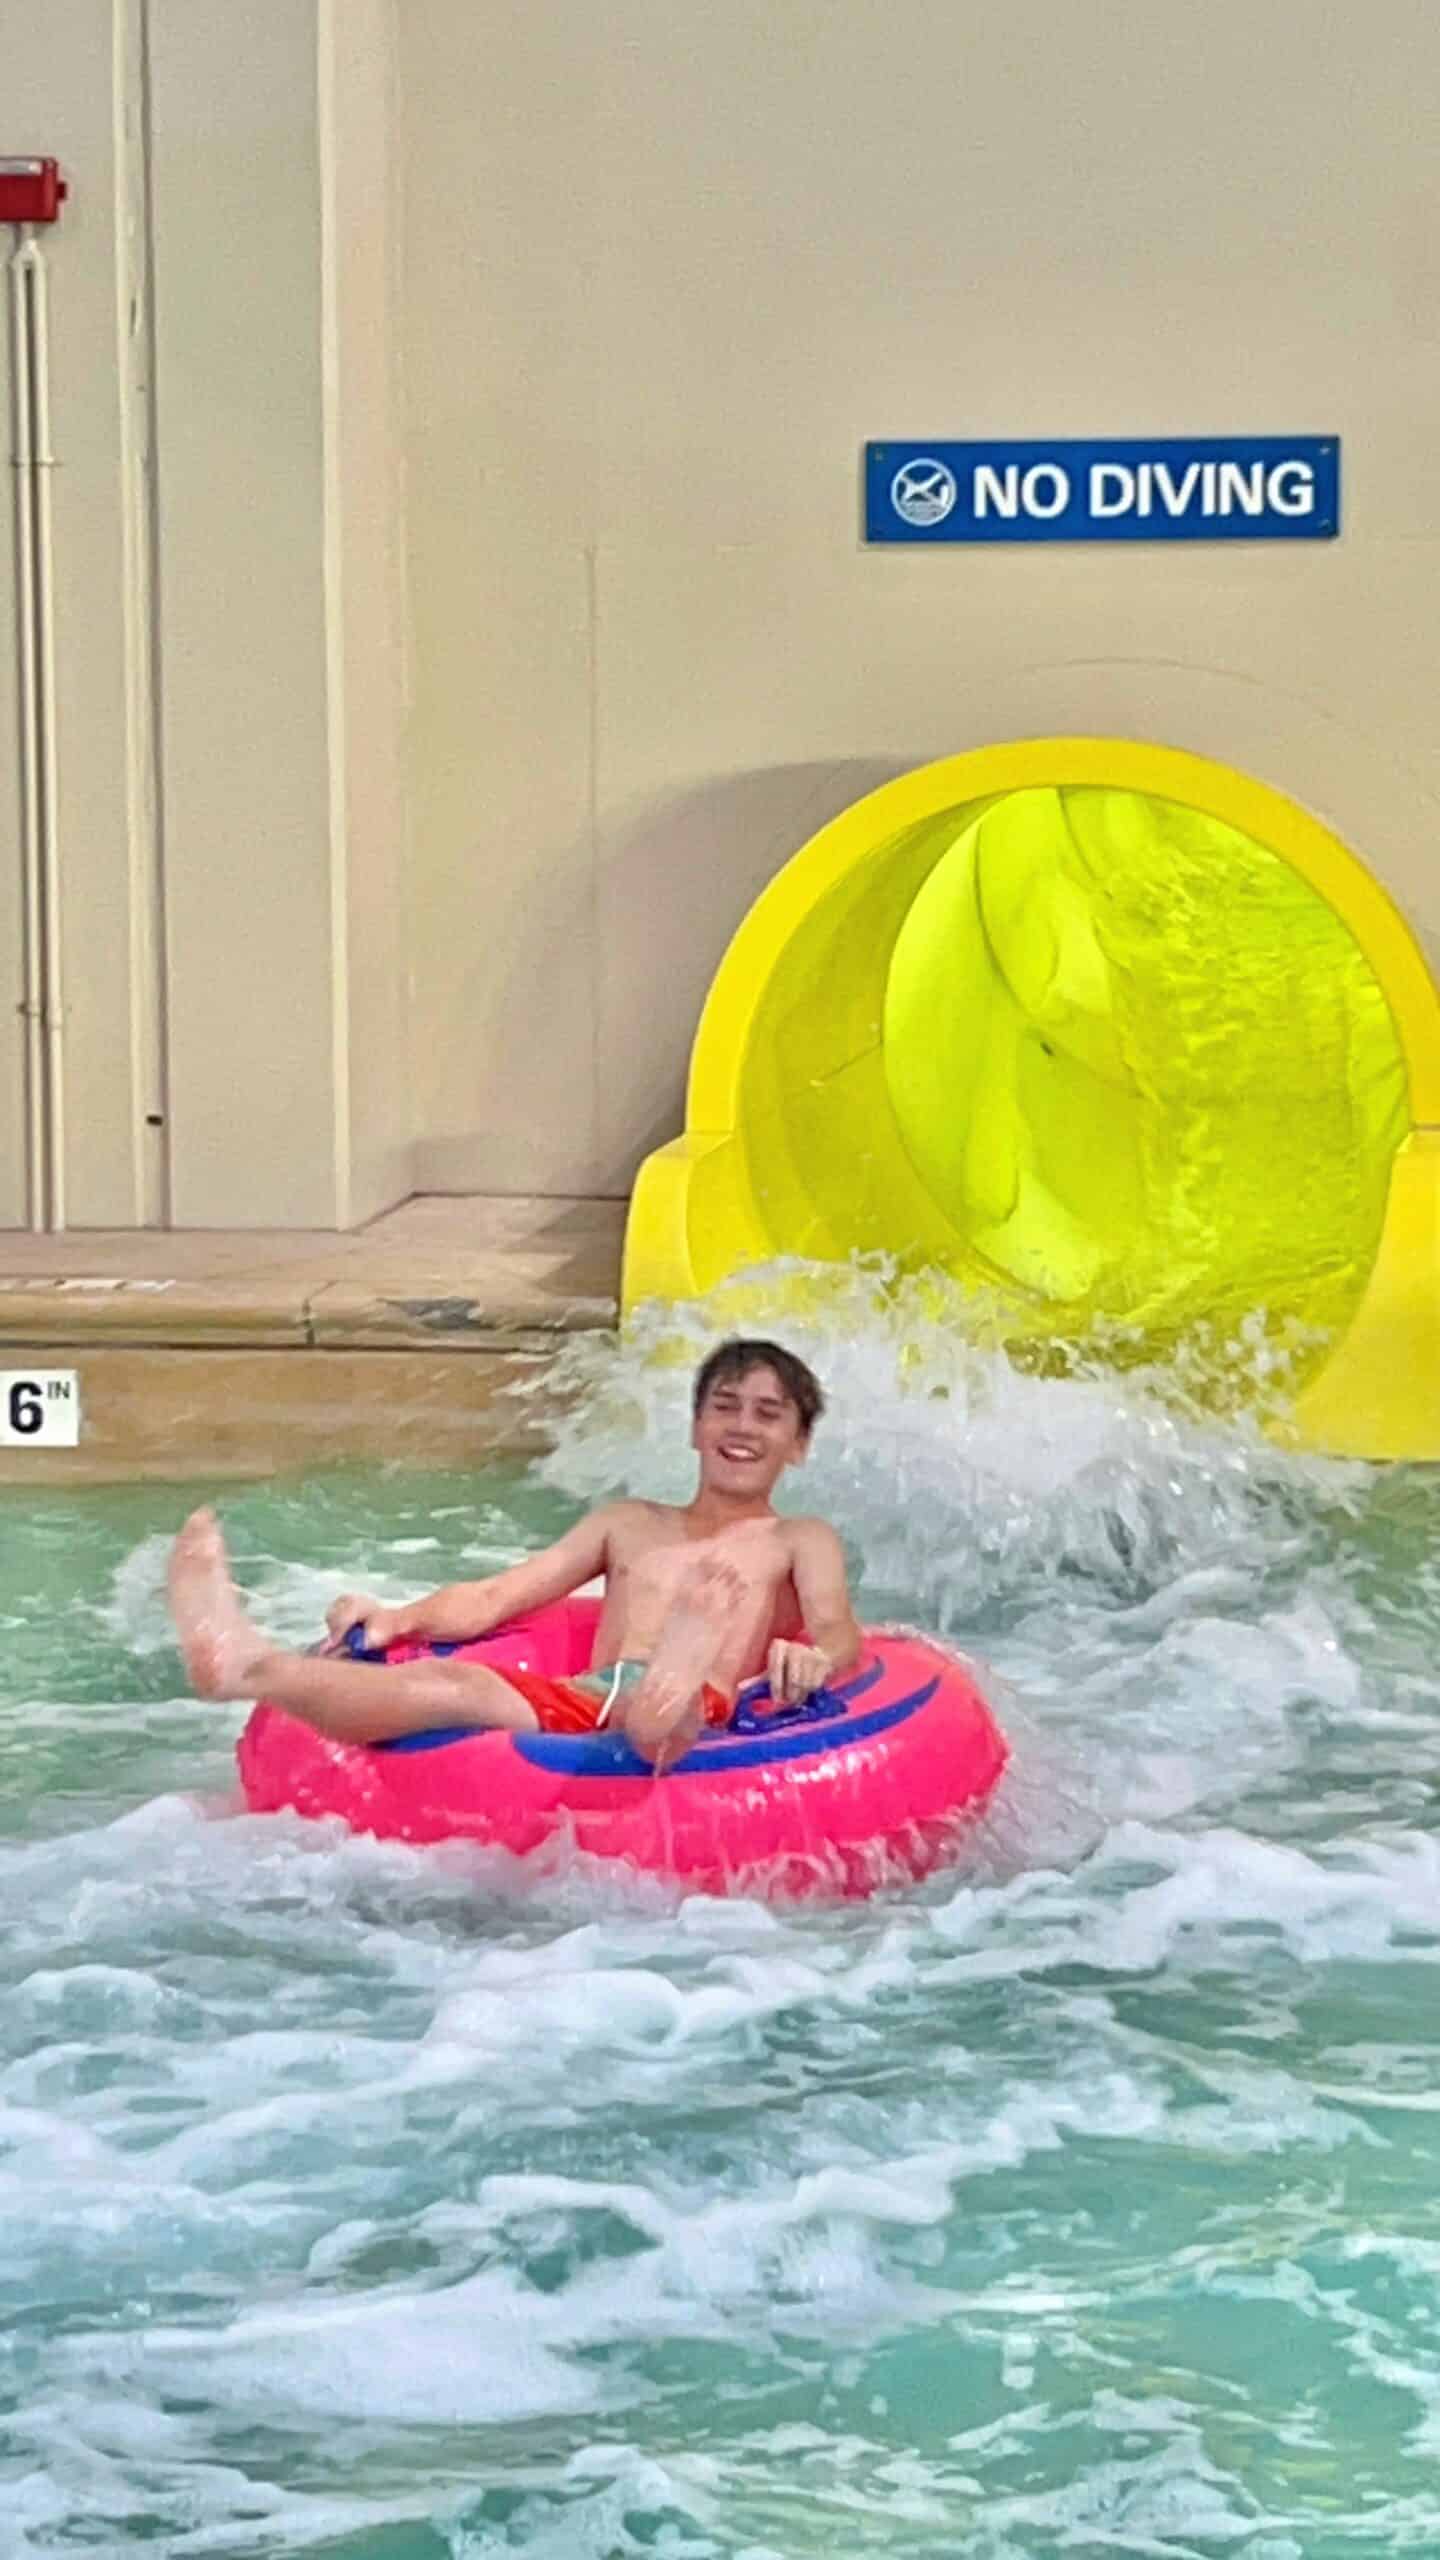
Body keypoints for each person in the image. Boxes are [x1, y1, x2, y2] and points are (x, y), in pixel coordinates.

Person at [167, 1338, 861, 1769]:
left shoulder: (795, 1539)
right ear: (695, 1426)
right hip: (592, 1695)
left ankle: (678, 1670)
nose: (742, 1427)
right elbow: (502, 1595)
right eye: (725, 1406)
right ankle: (247, 1667)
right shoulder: (628, 1524)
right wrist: (401, 1618)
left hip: (703, 1704)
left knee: (660, 1716)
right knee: (461, 1689)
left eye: (769, 1415)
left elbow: (834, 1628)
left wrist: (814, 1658)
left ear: (798, 1445)